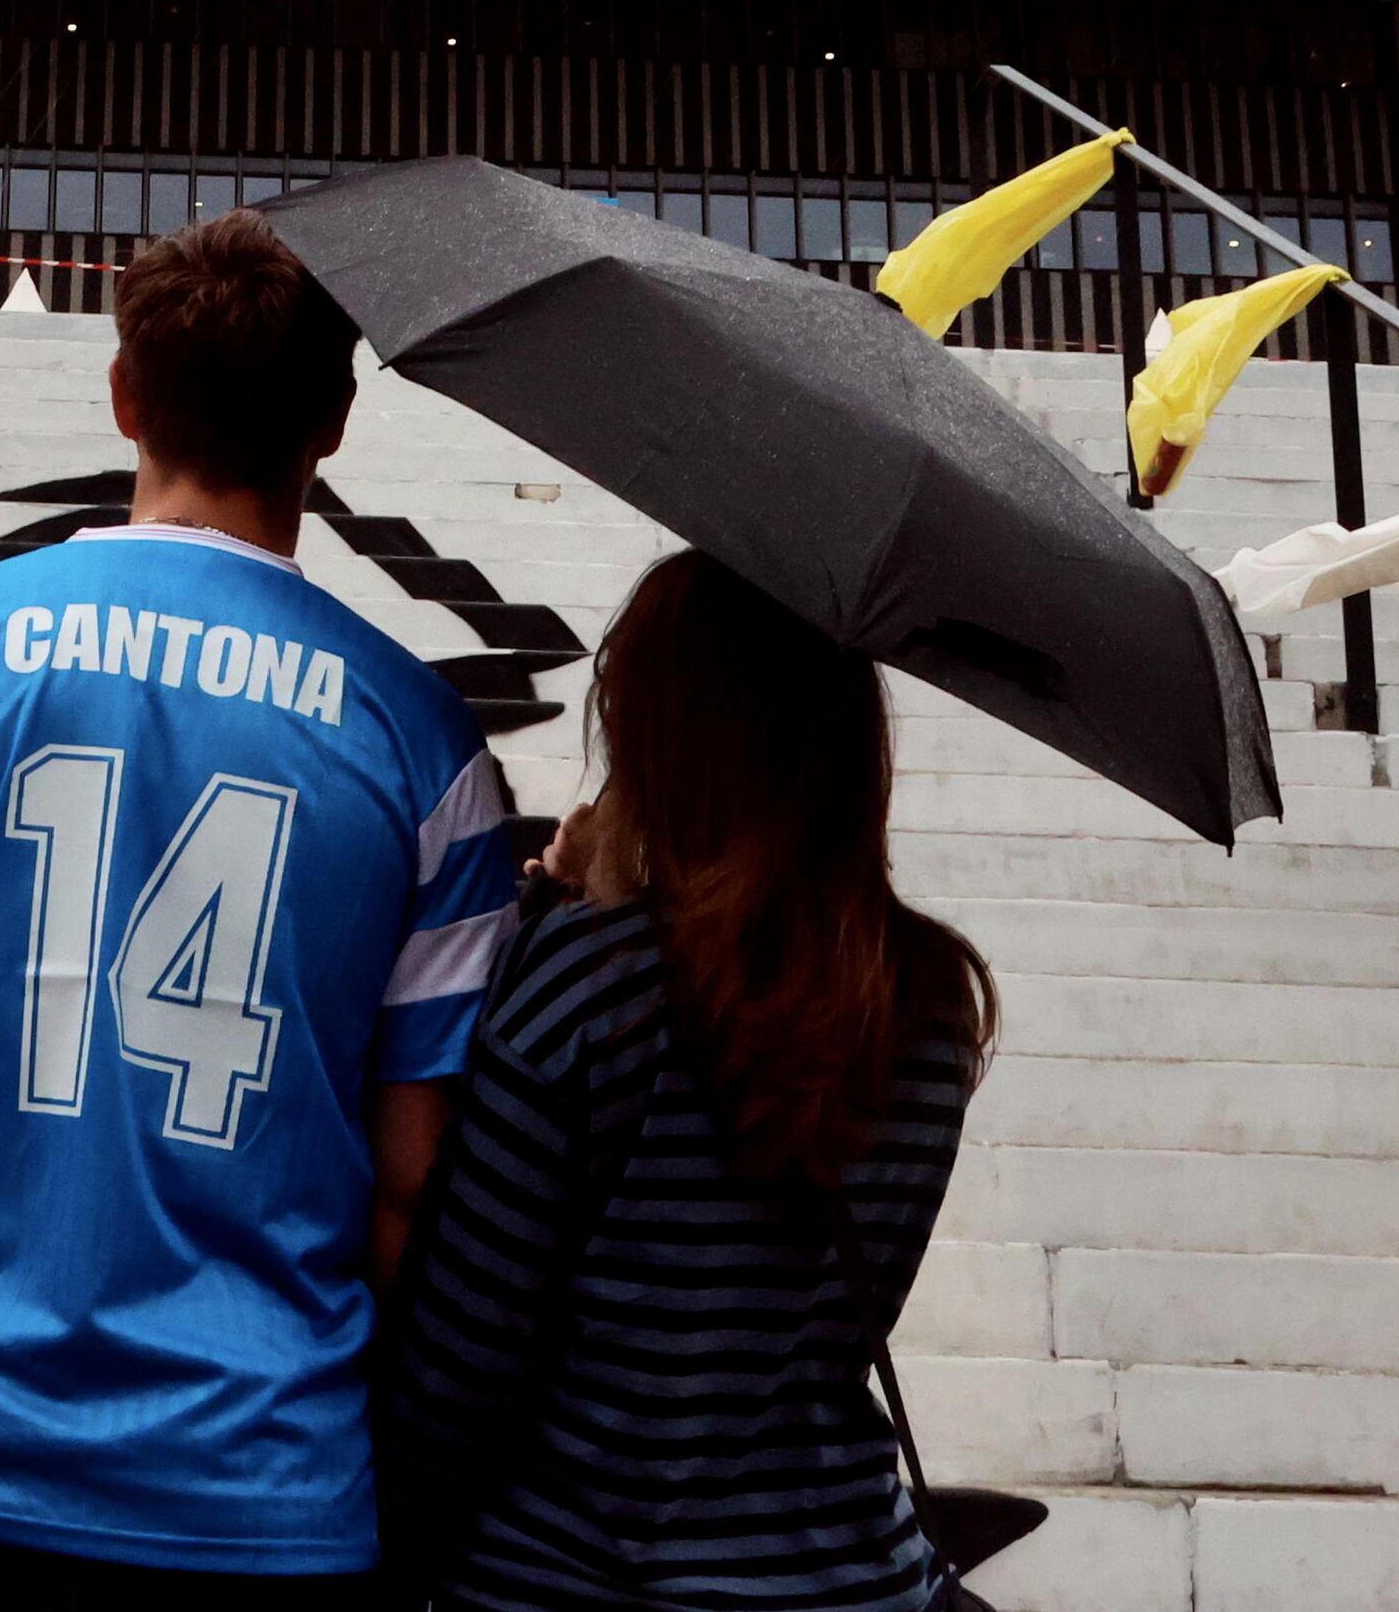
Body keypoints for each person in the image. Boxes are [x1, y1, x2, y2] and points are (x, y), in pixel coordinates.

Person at [0, 210, 520, 1606]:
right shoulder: (429, 746)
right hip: (257, 1490)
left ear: (126, 394)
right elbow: (413, 1181)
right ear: (332, 421)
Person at [382, 549, 1001, 1612]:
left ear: (666, 741)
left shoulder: (590, 993)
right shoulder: (931, 1000)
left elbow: (456, 1370)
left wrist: (551, 926)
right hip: (842, 1573)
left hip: (566, 1576)